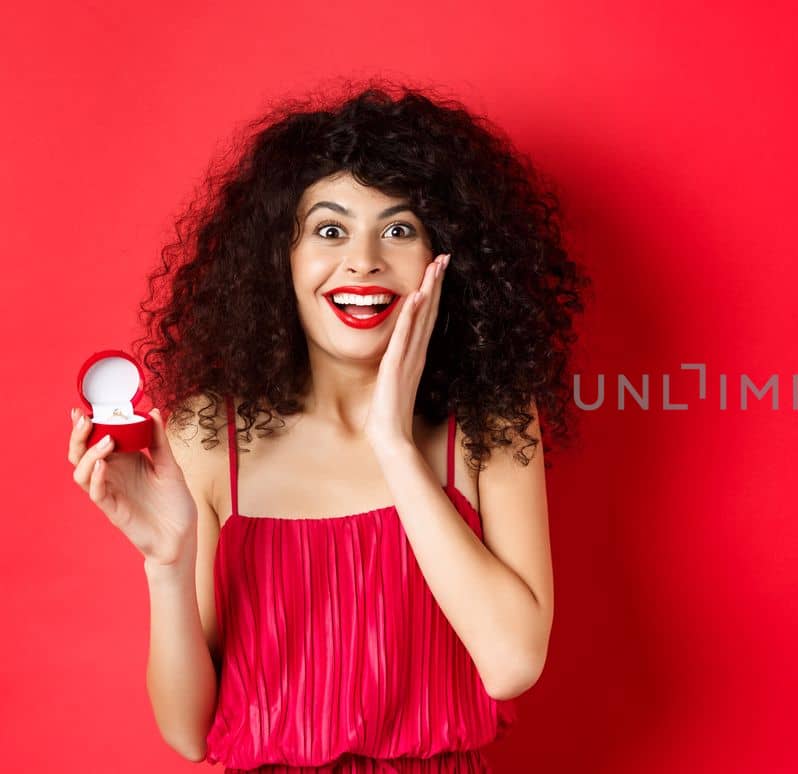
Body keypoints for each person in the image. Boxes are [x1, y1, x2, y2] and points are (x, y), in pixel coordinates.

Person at [63, 81, 586, 772]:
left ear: (445, 259)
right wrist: (168, 562)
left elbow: (512, 665)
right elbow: (189, 735)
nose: (364, 260)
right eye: (330, 230)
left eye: (398, 229)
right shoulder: (210, 435)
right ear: (279, 257)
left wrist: (394, 444)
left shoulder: (489, 422)